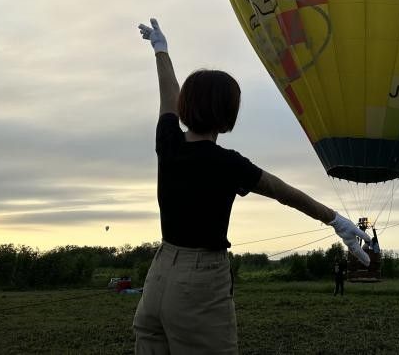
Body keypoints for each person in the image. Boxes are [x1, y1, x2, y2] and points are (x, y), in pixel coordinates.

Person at [133, 18, 371, 354]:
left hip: (157, 277)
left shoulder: (168, 142)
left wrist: (161, 52)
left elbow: (168, 97)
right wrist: (334, 219)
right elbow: (282, 192)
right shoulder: (227, 163)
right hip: (200, 283)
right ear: (226, 114)